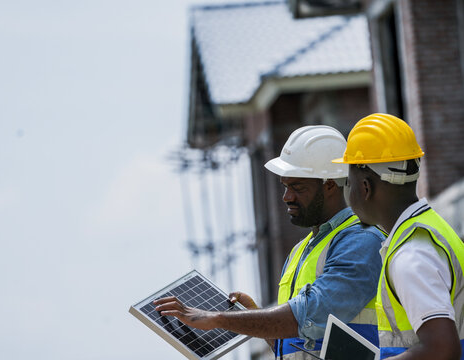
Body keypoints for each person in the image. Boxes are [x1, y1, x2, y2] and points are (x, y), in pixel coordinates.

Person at [154, 125, 385, 359]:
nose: (287, 197)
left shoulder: (362, 241)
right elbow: (296, 343)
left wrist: (217, 319)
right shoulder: (301, 251)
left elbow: (311, 316)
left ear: (329, 185)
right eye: (286, 186)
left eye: (298, 187)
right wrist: (254, 314)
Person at [332, 113, 464, 360]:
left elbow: (442, 350)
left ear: (365, 187)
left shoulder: (410, 255)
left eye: (348, 183)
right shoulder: (429, 228)